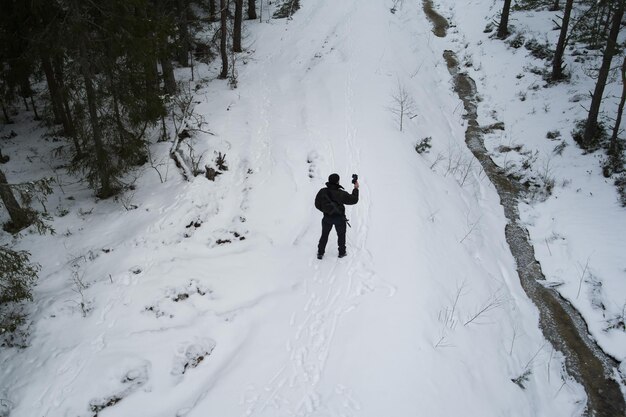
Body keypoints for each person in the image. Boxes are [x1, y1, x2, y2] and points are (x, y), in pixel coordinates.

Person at [314, 173, 359, 259]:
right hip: (339, 219)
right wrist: (356, 188)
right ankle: (342, 252)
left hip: (327, 218)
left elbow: (317, 204)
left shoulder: (322, 191)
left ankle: (320, 253)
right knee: (341, 235)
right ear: (338, 181)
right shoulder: (341, 193)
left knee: (324, 235)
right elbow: (354, 200)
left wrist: (326, 210)